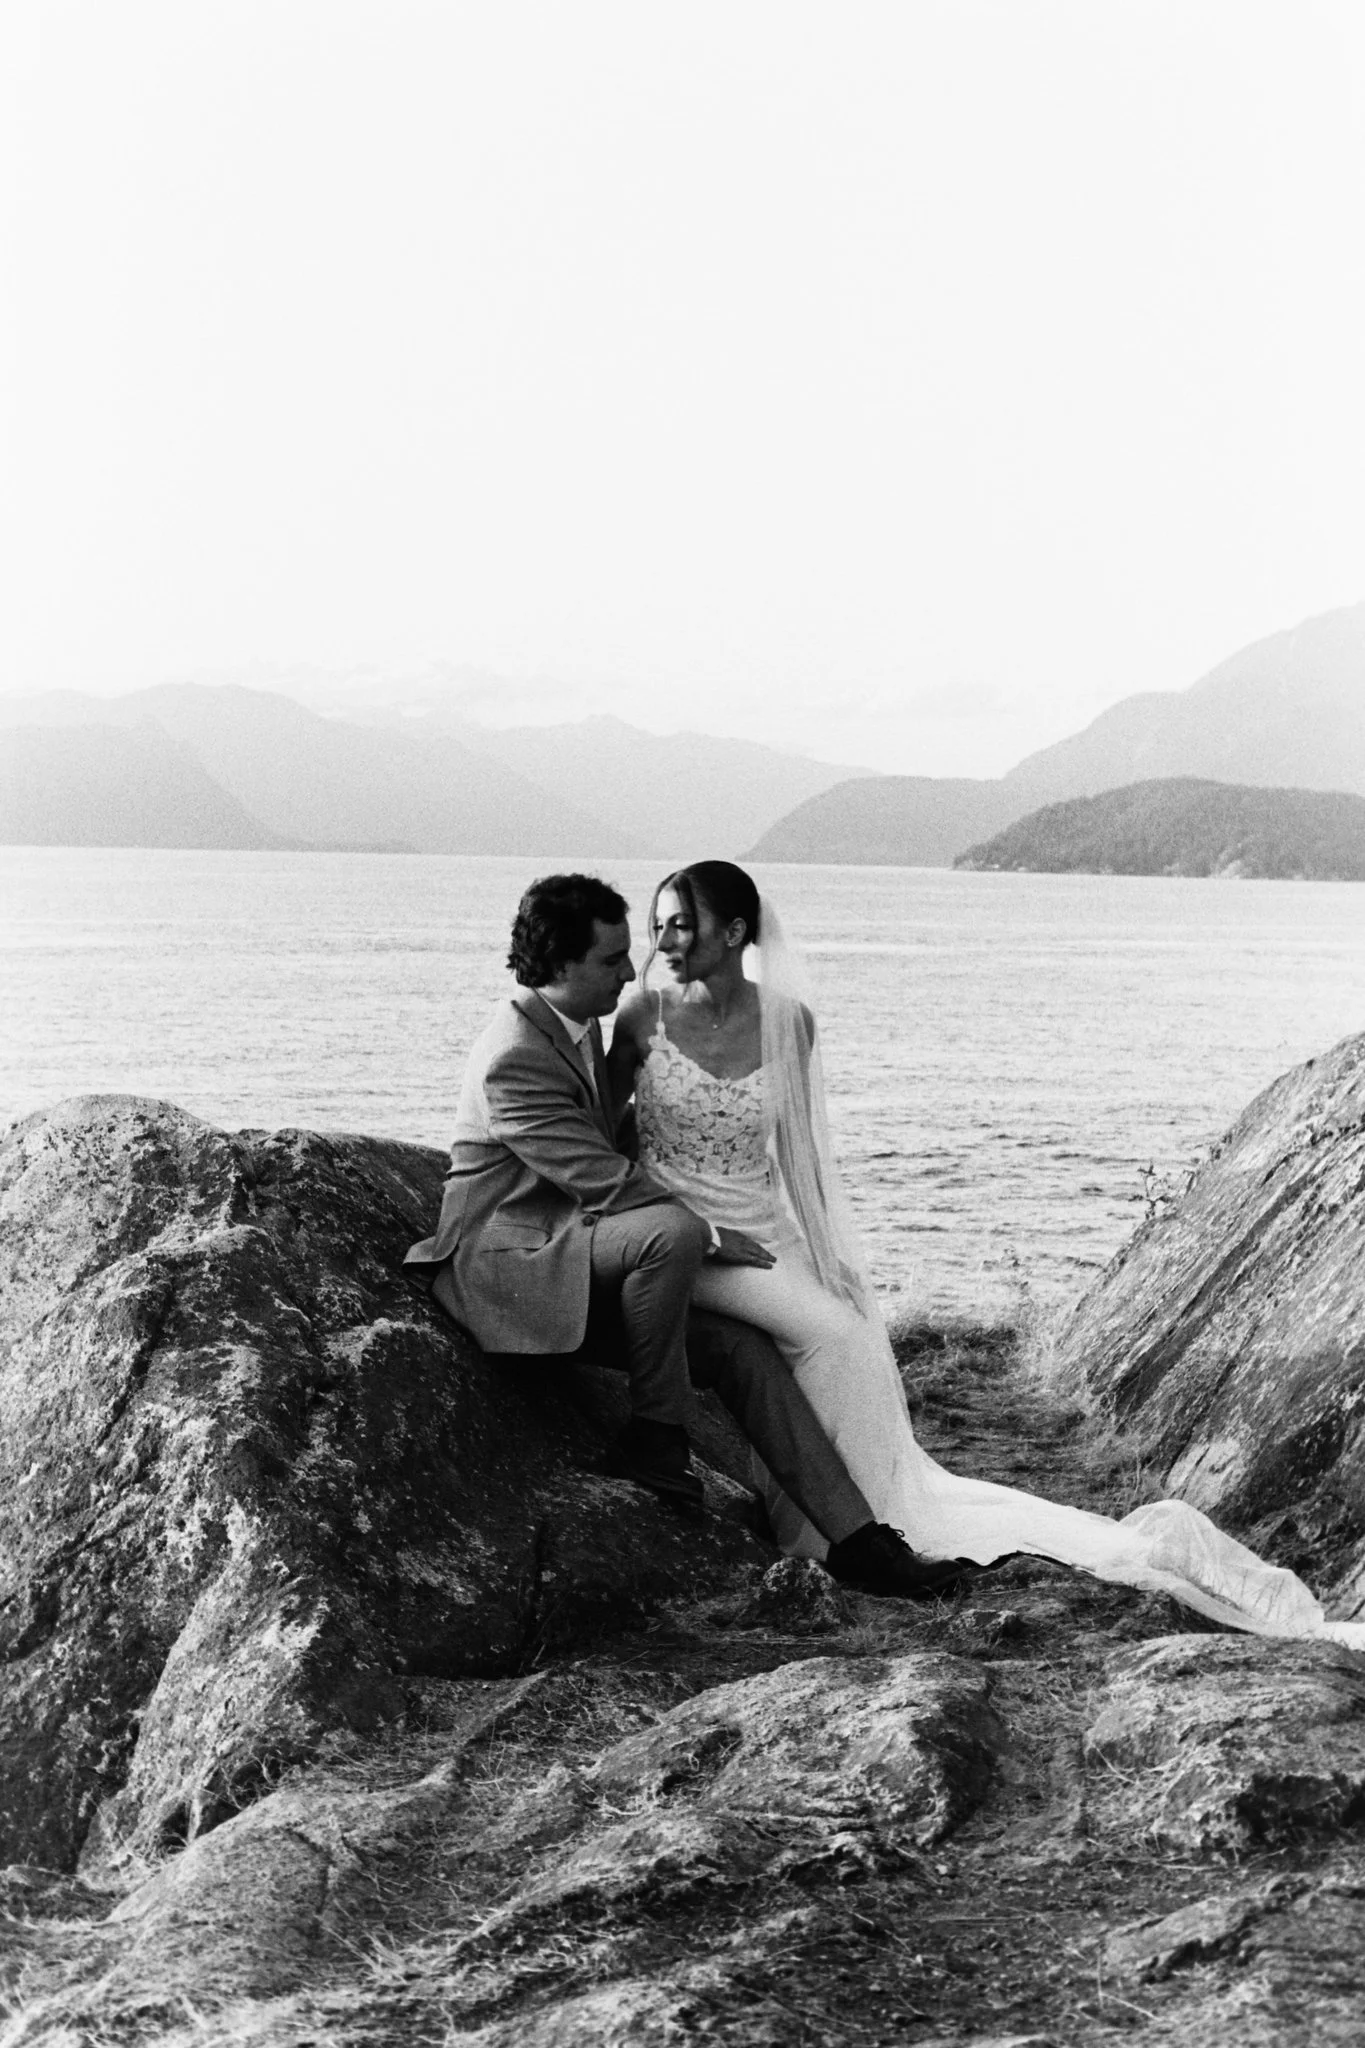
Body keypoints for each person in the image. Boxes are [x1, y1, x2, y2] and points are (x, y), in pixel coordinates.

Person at [607, 858, 1365, 1647]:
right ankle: (853, 1533)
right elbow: (602, 1141)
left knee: (851, 1324)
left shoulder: (787, 1021)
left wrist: (828, 1254)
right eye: (655, 923)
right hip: (692, 1241)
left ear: (733, 933)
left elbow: (800, 1155)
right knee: (826, 1336)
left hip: (769, 1227)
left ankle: (855, 1512)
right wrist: (664, 1219)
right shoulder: (640, 1017)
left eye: (679, 923)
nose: (661, 939)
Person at [404, 871, 962, 1599]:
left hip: (579, 1249)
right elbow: (596, 1173)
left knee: (745, 1353)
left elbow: (613, 1131)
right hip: (510, 1267)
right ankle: (657, 1438)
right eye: (610, 959)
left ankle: (856, 1541)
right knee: (670, 1230)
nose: (631, 966)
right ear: (563, 964)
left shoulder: (583, 1025)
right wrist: (708, 1228)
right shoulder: (516, 1050)